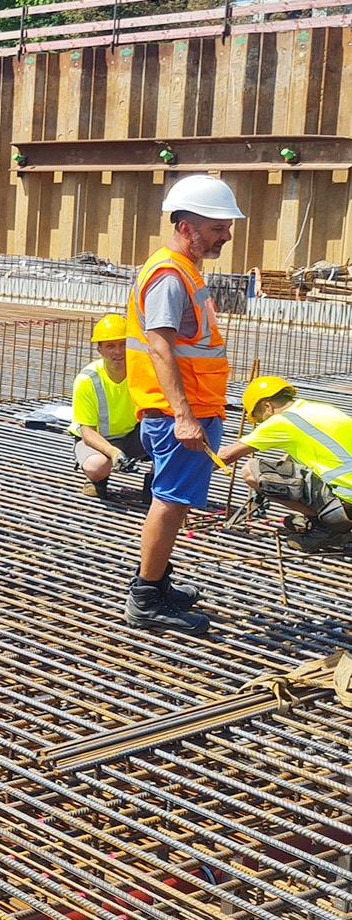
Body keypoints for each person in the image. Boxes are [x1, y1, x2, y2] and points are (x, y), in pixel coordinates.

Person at [124, 174, 245, 635]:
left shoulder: (184, 271)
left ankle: (156, 581)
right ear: (186, 226)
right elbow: (160, 349)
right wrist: (185, 415)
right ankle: (147, 597)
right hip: (179, 413)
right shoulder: (170, 275)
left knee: (175, 502)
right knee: (171, 502)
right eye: (218, 227)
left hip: (195, 408)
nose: (226, 236)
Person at [219, 377, 352, 551]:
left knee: (251, 470)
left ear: (267, 405)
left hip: (346, 496)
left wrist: (180, 475)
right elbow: (298, 452)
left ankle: (326, 527)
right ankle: (334, 518)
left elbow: (225, 456)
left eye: (259, 418)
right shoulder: (318, 409)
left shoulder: (281, 421)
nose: (261, 424)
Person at [70, 314, 151, 501]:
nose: (118, 351)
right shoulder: (88, 380)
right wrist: (113, 452)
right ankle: (98, 480)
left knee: (169, 437)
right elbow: (87, 432)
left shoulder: (142, 373)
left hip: (131, 435)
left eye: (123, 344)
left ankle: (154, 483)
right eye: (110, 346)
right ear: (99, 350)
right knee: (97, 466)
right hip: (97, 440)